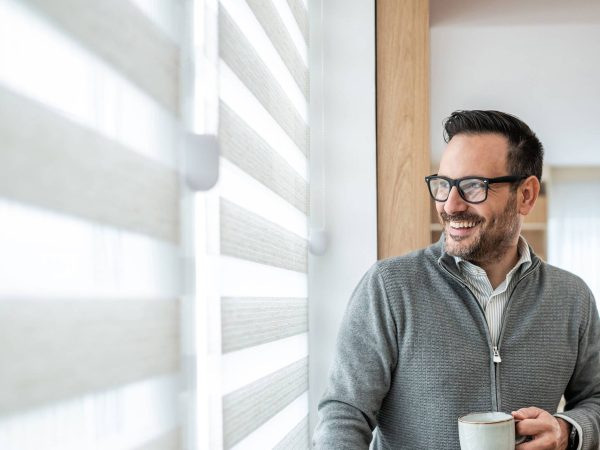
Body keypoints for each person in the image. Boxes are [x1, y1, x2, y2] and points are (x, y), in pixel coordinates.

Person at [312, 110, 600, 449]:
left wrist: (568, 431)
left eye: (474, 186)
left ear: (526, 195)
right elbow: (344, 414)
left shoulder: (572, 297)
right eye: (444, 184)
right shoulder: (389, 287)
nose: (450, 205)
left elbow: (595, 398)